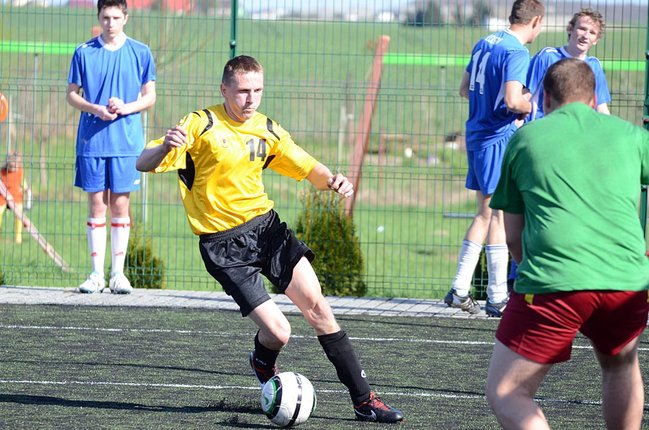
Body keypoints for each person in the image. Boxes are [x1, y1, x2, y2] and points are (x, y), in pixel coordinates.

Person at [136, 55, 404, 423]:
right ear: (224, 89)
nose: (251, 99)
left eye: (258, 90)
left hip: (267, 230)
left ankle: (364, 400)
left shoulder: (267, 129)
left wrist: (332, 180)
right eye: (242, 91)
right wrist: (165, 147)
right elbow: (143, 163)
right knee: (280, 332)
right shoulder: (200, 125)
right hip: (223, 247)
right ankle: (263, 360)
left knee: (318, 307)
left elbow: (306, 166)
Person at [486, 57, 649, 429]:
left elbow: (512, 235)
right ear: (593, 99)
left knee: (507, 391)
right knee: (620, 364)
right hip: (626, 280)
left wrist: (536, 275)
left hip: (554, 281)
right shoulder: (630, 136)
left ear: (545, 99)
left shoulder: (526, 139)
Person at [445, 0, 544, 317]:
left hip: (476, 134)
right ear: (536, 22)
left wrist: (490, 102)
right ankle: (495, 295)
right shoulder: (516, 52)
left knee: (486, 214)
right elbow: (514, 101)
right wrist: (532, 106)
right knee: (497, 215)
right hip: (496, 137)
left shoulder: (485, 41)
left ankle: (463, 289)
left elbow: (464, 89)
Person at [66, 0, 156, 294]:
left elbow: (150, 96)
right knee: (96, 204)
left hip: (126, 142)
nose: (110, 23)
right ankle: (96, 275)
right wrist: (95, 108)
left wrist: (126, 107)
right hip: (92, 142)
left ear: (125, 18)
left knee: (120, 205)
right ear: (99, 17)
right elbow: (71, 95)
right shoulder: (83, 52)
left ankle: (117, 274)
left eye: (116, 17)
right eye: (105, 17)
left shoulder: (140, 52)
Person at [527, 8, 610, 120]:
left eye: (592, 33)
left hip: (577, 127)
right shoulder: (547, 56)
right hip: (545, 125)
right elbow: (525, 96)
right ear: (570, 29)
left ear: (596, 40)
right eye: (582, 29)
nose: (586, 36)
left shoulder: (594, 65)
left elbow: (601, 108)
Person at [0, 152, 30, 244]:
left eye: (16, 165)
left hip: (16, 197)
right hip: (3, 197)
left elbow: (22, 182)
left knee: (19, 215)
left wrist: (26, 189)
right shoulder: (2, 172)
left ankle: (18, 237)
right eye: (12, 166)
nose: (14, 168)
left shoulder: (20, 172)